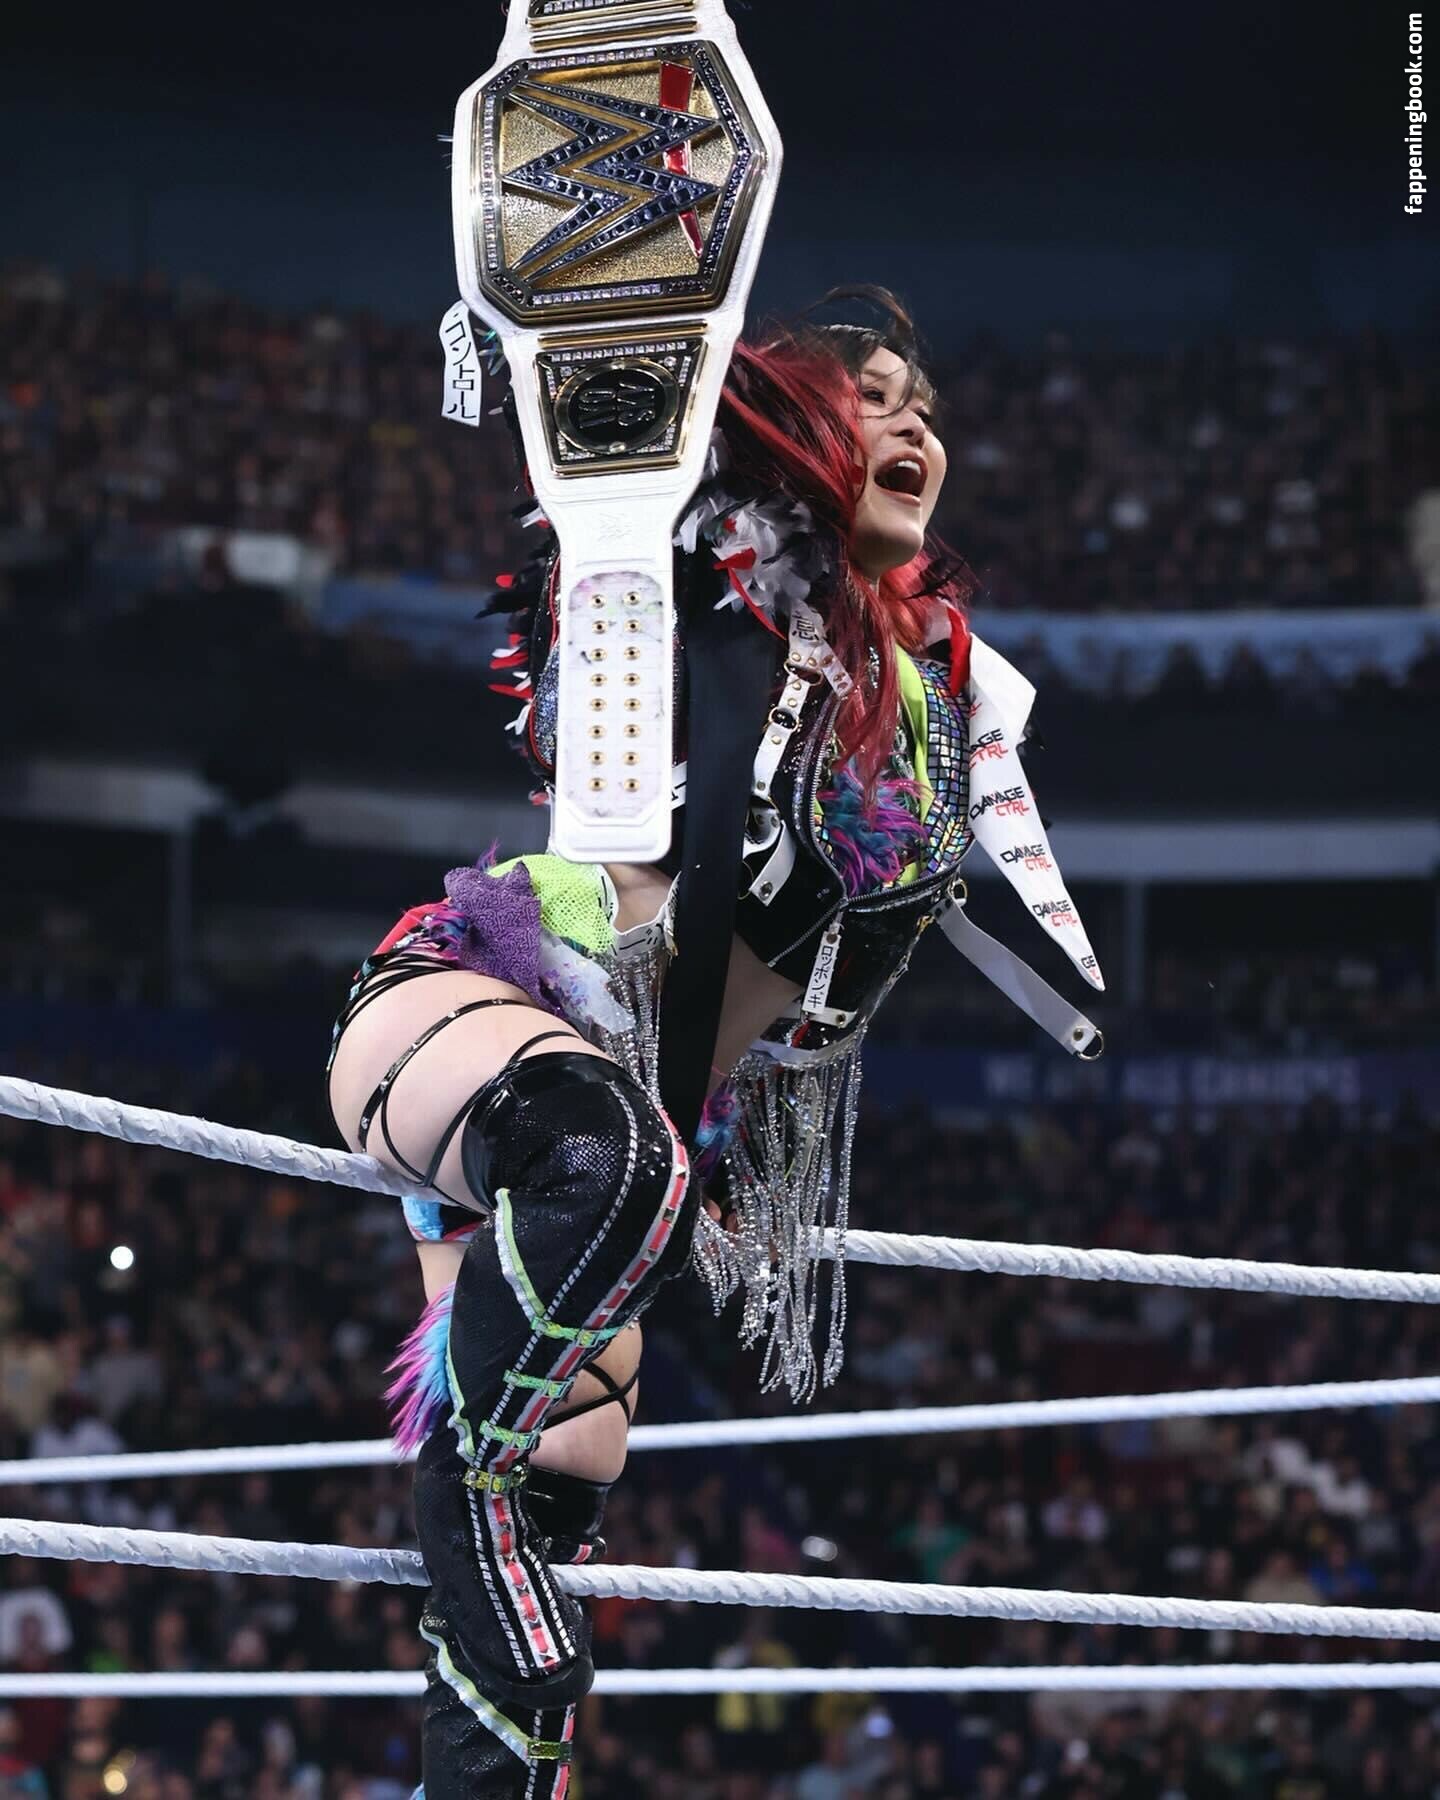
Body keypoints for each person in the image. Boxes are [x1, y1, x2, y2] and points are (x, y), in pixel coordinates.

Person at [326, 288, 1098, 1797]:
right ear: (794, 421)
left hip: (646, 1125)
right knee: (600, 1179)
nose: (915, 424)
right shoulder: (682, 567)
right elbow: (626, 412)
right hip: (480, 1009)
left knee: (562, 1499)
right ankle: (465, 1501)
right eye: (875, 395)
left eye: (927, 407)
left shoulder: (914, 691)